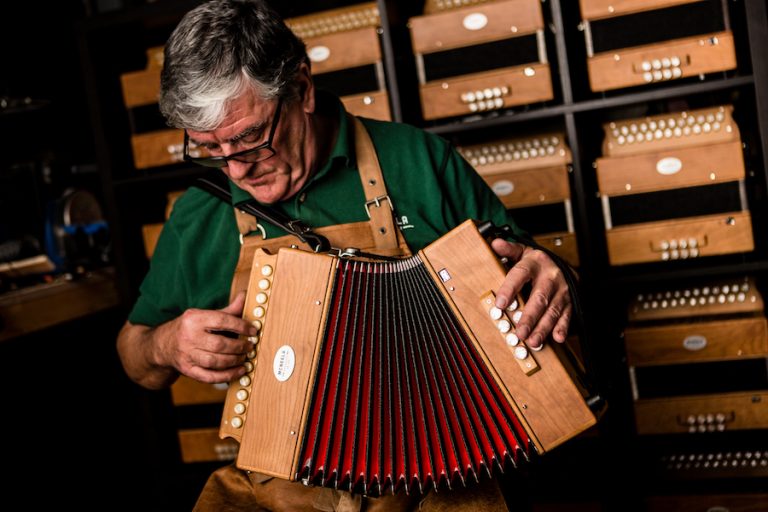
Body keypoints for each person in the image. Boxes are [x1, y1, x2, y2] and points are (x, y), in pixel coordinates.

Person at [116, 0, 574, 510]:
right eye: (209, 149)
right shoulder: (199, 214)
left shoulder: (418, 161)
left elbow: (537, 285)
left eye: (249, 139)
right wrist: (166, 345)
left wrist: (555, 278)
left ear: (302, 89)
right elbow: (134, 354)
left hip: (441, 473)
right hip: (281, 487)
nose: (237, 171)